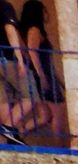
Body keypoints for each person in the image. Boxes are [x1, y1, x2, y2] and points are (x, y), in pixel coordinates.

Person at [20, 3, 60, 140]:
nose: (47, 14)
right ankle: (62, 145)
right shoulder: (35, 29)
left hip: (43, 73)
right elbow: (32, 53)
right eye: (45, 11)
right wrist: (41, 76)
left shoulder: (32, 30)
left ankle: (17, 133)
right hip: (43, 74)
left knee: (45, 116)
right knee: (56, 115)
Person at [0, 1, 26, 147]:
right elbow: (10, 31)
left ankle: (10, 138)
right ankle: (8, 128)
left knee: (3, 101)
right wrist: (20, 58)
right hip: (6, 58)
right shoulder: (4, 6)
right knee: (31, 96)